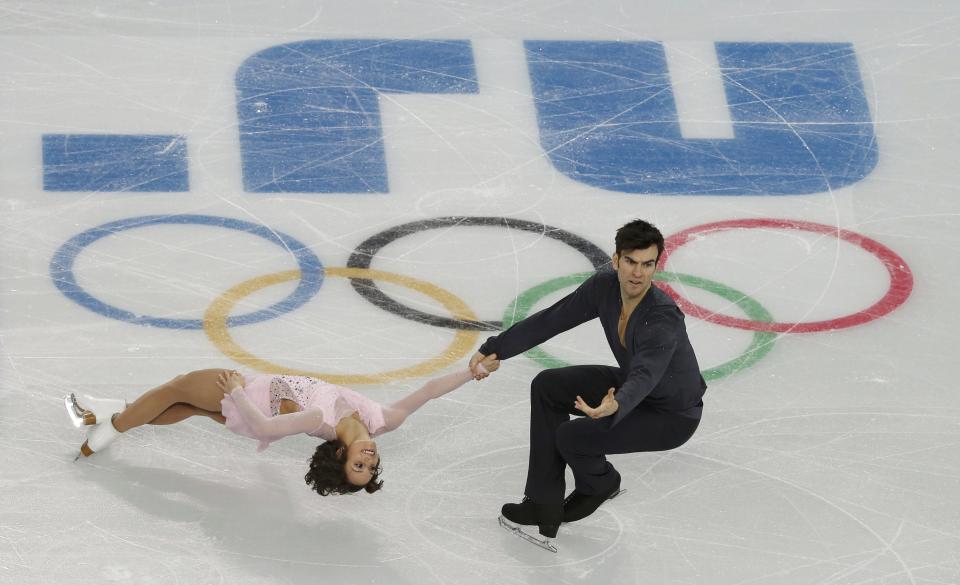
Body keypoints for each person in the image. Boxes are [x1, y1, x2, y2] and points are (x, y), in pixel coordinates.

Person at [469, 219, 706, 546]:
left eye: (647, 264)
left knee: (572, 437)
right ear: (616, 260)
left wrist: (618, 402)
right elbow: (554, 318)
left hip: (671, 415)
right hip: (632, 390)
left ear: (656, 266)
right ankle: (543, 502)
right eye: (631, 262)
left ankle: (600, 483)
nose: (638, 273)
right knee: (548, 386)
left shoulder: (661, 317)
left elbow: (646, 373)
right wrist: (496, 348)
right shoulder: (604, 288)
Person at [65, 363, 494, 496]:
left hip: (250, 403)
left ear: (341, 458)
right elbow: (430, 391)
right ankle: (109, 417)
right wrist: (472, 370)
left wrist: (236, 390)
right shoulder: (384, 420)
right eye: (371, 467)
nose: (370, 460)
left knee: (176, 387)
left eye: (358, 468)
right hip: (251, 415)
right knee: (184, 405)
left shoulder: (318, 422)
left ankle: (107, 425)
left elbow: (265, 422)